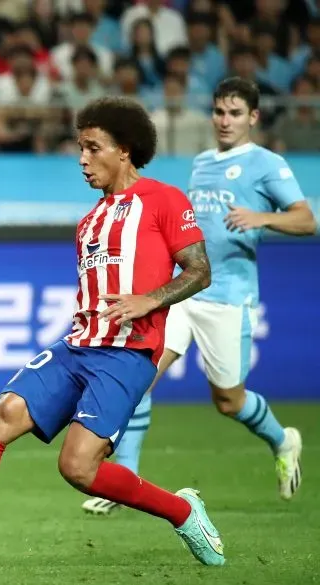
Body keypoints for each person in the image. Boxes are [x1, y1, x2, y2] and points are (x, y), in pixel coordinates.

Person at [0, 96, 225, 572]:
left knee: (78, 468)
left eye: (93, 148)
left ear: (125, 149)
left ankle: (183, 510)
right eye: (79, 148)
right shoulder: (89, 222)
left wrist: (150, 300)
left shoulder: (165, 200)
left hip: (127, 354)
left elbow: (200, 270)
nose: (82, 159)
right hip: (77, 346)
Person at [82, 77, 315, 516]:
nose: (224, 121)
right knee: (139, 374)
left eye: (235, 113)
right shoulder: (203, 162)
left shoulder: (266, 164)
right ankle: (125, 479)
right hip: (184, 290)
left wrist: (260, 217)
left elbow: (307, 220)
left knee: (229, 400)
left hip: (229, 296)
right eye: (219, 111)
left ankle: (283, 440)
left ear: (253, 117)